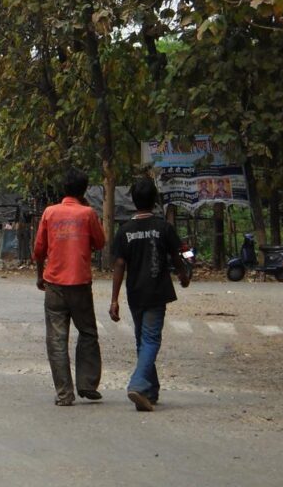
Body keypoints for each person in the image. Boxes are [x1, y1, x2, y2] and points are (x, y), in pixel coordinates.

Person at [109, 176, 190, 412]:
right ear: (155, 200)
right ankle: (137, 384)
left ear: (134, 201)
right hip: (157, 292)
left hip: (135, 294)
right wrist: (183, 276)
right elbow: (178, 256)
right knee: (151, 340)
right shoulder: (163, 227)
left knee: (142, 341)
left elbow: (119, 266)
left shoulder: (125, 231)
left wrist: (114, 299)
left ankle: (150, 390)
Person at [33, 168, 107, 406]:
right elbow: (100, 242)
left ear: (63, 189)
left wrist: (39, 276)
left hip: (54, 283)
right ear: (84, 190)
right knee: (87, 332)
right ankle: (86, 384)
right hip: (80, 284)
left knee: (56, 339)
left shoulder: (49, 212)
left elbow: (38, 250)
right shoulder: (88, 213)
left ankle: (65, 393)